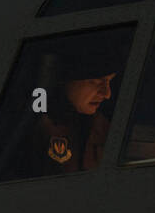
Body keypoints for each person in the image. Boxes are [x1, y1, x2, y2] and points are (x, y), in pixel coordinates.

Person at [28, 48, 118, 177]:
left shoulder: (100, 125)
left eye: (109, 81)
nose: (107, 94)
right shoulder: (37, 127)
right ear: (64, 81)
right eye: (95, 82)